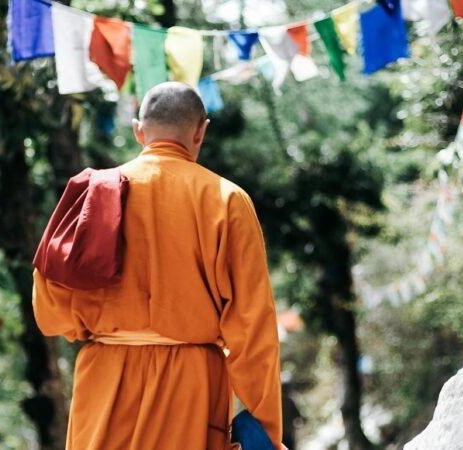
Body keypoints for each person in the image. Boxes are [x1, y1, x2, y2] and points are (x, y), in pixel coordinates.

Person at [33, 82, 284, 449]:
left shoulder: (95, 194)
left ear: (138, 130)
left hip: (105, 379)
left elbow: (49, 307)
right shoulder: (226, 200)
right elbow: (253, 327)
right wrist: (265, 429)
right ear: (201, 131)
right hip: (190, 383)